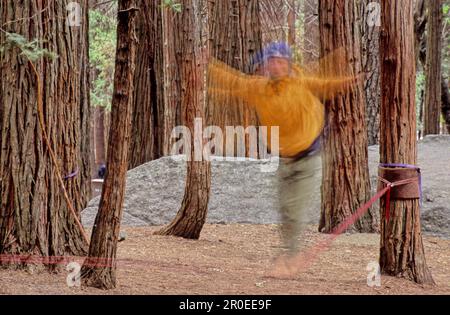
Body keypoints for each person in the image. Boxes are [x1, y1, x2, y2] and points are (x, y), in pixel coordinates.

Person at [208, 42, 358, 278]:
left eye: (280, 61)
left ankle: (291, 258)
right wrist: (208, 65)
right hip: (284, 159)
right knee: (284, 210)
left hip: (308, 158)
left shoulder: (302, 81)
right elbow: (233, 82)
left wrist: (349, 80)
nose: (276, 66)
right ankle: (289, 255)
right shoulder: (258, 88)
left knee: (293, 211)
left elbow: (326, 84)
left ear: (289, 64)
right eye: (271, 62)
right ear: (264, 66)